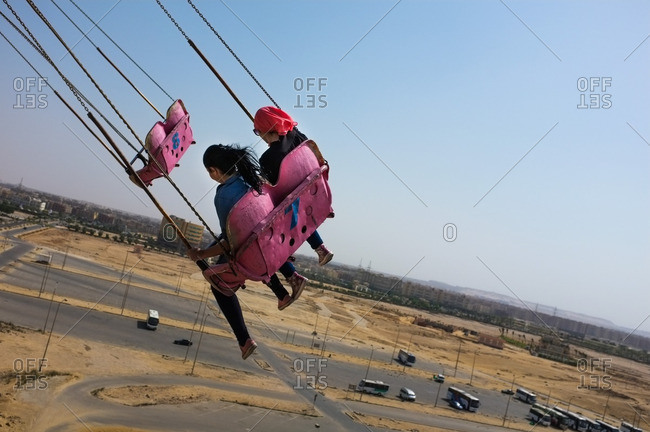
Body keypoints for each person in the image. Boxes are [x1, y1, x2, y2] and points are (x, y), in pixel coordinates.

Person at [187, 144, 294, 359]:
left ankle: (244, 339)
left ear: (214, 171)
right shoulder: (252, 180)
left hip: (249, 252)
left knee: (218, 284)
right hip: (270, 239)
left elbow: (228, 243)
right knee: (250, 241)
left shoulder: (223, 196)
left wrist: (200, 255)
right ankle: (281, 293)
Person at [253, 106, 334, 271]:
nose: (259, 136)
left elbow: (271, 188)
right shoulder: (298, 136)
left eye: (257, 131)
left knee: (277, 210)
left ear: (264, 129)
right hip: (315, 190)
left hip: (294, 205)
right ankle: (320, 247)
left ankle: (286, 257)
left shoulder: (268, 158)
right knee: (296, 204)